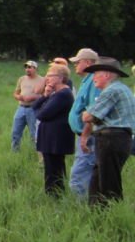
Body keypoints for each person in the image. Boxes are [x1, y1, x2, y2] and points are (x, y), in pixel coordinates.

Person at [79, 58, 135, 206]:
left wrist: (86, 113)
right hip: (119, 138)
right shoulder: (122, 89)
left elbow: (90, 116)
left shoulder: (112, 90)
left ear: (107, 74)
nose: (93, 77)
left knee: (108, 183)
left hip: (111, 138)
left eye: (96, 73)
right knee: (100, 179)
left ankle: (112, 216)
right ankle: (98, 214)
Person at [33, 64, 75, 195]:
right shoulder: (56, 94)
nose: (47, 78)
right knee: (53, 166)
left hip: (55, 138)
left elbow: (42, 114)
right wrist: (45, 95)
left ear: (61, 78)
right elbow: (35, 106)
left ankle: (54, 194)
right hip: (51, 137)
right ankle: (56, 192)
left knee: (53, 168)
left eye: (51, 75)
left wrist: (44, 105)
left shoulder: (62, 94)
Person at [67, 48, 101, 196]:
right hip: (83, 135)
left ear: (88, 62)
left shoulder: (94, 81)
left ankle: (82, 210)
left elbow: (93, 111)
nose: (75, 65)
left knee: (78, 177)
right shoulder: (87, 80)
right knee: (84, 173)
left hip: (89, 136)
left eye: (78, 62)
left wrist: (85, 136)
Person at [11, 61, 45, 151]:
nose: (27, 69)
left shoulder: (42, 80)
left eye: (30, 67)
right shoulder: (22, 79)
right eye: (26, 67)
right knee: (15, 132)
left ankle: (35, 152)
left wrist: (33, 97)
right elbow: (15, 93)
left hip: (34, 109)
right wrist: (19, 97)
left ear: (36, 69)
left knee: (34, 133)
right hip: (21, 108)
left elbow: (45, 95)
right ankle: (15, 151)